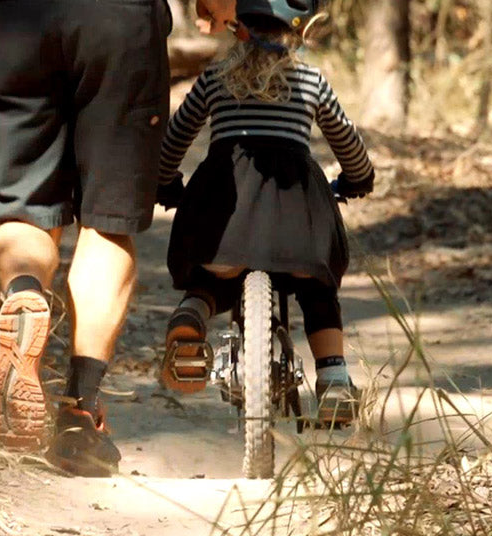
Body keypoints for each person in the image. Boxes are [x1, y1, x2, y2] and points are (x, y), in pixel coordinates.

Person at [0, 0, 234, 477]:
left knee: (22, 210)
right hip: (118, 19)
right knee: (106, 223)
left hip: (10, 21)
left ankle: (25, 293)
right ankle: (78, 414)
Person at [155, 0, 375, 423]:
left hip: (225, 210)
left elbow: (175, 138)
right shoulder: (311, 80)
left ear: (239, 29)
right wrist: (357, 179)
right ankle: (333, 381)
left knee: (211, 273)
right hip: (297, 216)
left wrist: (166, 181)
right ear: (299, 33)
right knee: (317, 289)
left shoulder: (214, 78)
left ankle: (191, 315)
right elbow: (347, 142)